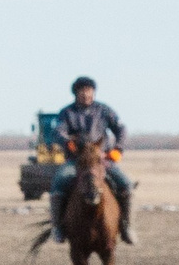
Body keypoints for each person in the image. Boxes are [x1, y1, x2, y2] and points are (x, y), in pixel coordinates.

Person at [49, 76, 137, 243]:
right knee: (58, 185)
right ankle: (58, 228)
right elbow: (58, 132)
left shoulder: (104, 111)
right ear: (76, 93)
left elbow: (121, 129)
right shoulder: (67, 113)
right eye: (82, 91)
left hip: (102, 160)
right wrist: (68, 143)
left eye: (89, 91)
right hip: (76, 161)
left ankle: (127, 227)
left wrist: (118, 149)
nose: (86, 94)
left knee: (126, 185)